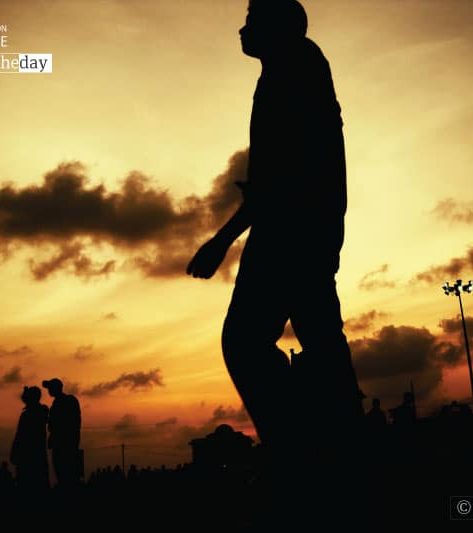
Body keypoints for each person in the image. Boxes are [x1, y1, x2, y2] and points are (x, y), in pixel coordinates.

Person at [187, 0, 362, 489]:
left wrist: (223, 239)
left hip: (291, 232)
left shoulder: (294, 69)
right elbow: (276, 178)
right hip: (303, 228)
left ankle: (300, 453)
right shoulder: (294, 68)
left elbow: (280, 179)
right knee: (321, 342)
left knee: (244, 343)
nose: (241, 30)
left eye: (250, 21)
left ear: (276, 27)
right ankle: (338, 452)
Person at [42, 378, 81, 488]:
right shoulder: (66, 401)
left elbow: (66, 424)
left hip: (64, 445)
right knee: (64, 474)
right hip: (65, 444)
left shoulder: (64, 402)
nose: (49, 390)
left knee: (65, 474)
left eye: (50, 388)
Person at [10, 386, 50, 492]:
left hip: (28, 455)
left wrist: (15, 451)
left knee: (29, 486)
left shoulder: (30, 414)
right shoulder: (40, 411)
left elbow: (20, 436)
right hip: (34, 454)